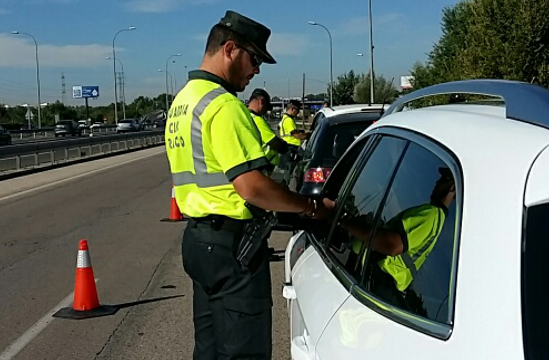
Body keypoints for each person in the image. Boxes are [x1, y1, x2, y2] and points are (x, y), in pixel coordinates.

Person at [164, 10, 333, 360]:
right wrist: (309, 207)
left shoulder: (183, 102)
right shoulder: (223, 106)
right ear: (230, 49)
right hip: (232, 247)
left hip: (199, 241)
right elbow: (252, 186)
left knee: (209, 349)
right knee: (244, 351)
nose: (257, 70)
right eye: (254, 58)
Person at [341, 167, 456, 314]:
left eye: (442, 180)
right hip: (378, 284)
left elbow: (392, 245)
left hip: (374, 278)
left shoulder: (431, 215)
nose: (436, 182)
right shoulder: (438, 220)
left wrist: (346, 222)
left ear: (451, 188)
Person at [247, 88, 288, 176]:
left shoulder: (245, 116)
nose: (266, 111)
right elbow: (273, 142)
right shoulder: (256, 120)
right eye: (266, 107)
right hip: (263, 166)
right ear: (261, 102)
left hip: (252, 165)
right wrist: (285, 148)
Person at [277, 100, 309, 181]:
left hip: (287, 148)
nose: (298, 113)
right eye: (297, 110)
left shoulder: (285, 119)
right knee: (289, 173)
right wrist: (309, 135)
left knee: (287, 174)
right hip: (291, 149)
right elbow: (298, 136)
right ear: (292, 109)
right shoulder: (288, 120)